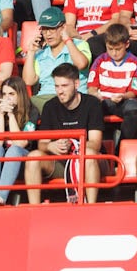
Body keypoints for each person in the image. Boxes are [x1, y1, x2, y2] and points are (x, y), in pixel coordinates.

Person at [31, 62, 105, 204]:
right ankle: (33, 209)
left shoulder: (92, 104)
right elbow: (42, 144)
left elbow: (95, 144)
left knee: (88, 154)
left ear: (76, 84)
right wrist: (50, 146)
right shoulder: (50, 106)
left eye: (64, 86)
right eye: (57, 86)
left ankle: (90, 206)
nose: (60, 91)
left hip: (90, 160)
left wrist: (72, 145)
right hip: (61, 162)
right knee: (33, 157)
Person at [0, 77, 37, 206]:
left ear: (20, 94)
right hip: (2, 158)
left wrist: (11, 115)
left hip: (23, 160)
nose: (7, 98)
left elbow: (20, 143)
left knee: (14, 150)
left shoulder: (32, 110)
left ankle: (1, 197)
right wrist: (1, 115)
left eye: (11, 94)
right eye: (4, 94)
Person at [87, 23, 137, 143]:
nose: (114, 53)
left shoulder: (135, 63)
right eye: (110, 49)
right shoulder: (100, 61)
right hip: (102, 101)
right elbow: (92, 87)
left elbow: (134, 92)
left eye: (118, 49)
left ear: (127, 44)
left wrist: (123, 96)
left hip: (122, 101)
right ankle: (96, 145)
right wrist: (96, 95)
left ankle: (122, 146)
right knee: (89, 105)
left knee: (134, 108)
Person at [21, 7, 88, 112]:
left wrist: (67, 40)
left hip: (72, 97)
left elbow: (81, 64)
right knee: (18, 105)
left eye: (52, 28)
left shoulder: (79, 45)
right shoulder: (41, 54)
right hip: (44, 98)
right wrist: (31, 52)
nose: (47, 34)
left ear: (63, 27)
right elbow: (29, 81)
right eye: (44, 29)